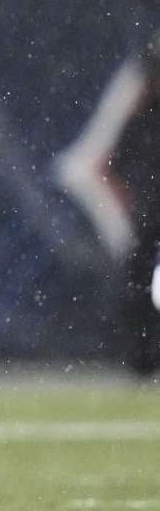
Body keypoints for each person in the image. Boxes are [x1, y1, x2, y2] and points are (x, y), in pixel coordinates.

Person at [112, 41, 160, 376]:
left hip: (148, 216)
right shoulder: (141, 119)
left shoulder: (141, 118)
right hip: (150, 218)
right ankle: (143, 357)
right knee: (139, 287)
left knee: (141, 286)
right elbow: (118, 166)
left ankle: (144, 356)